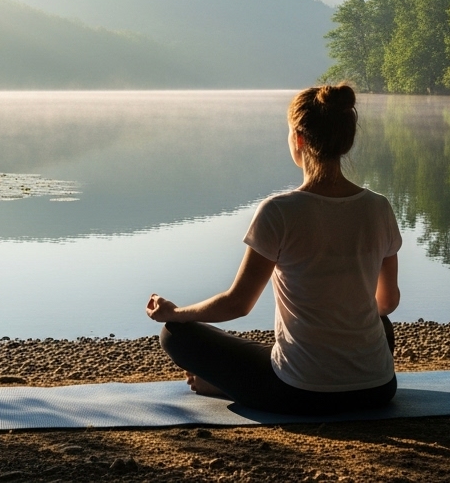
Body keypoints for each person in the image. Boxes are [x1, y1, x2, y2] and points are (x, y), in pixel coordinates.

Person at [145, 83, 402, 415]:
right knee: (380, 324)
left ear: (299, 139)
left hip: (298, 393)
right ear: (346, 140)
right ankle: (247, 379)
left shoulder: (278, 212)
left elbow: (238, 304)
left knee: (174, 335)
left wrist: (175, 313)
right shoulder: (379, 208)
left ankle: (224, 384)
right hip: (377, 389)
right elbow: (387, 302)